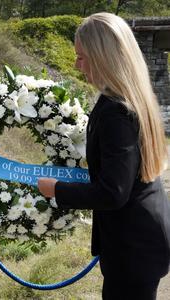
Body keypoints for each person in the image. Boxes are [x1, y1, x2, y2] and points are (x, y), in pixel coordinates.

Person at [37, 12, 170, 300]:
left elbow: (113, 192)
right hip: (142, 238)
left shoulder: (115, 112)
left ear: (104, 57)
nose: (76, 65)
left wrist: (56, 189)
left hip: (132, 248)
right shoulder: (132, 99)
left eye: (82, 57)